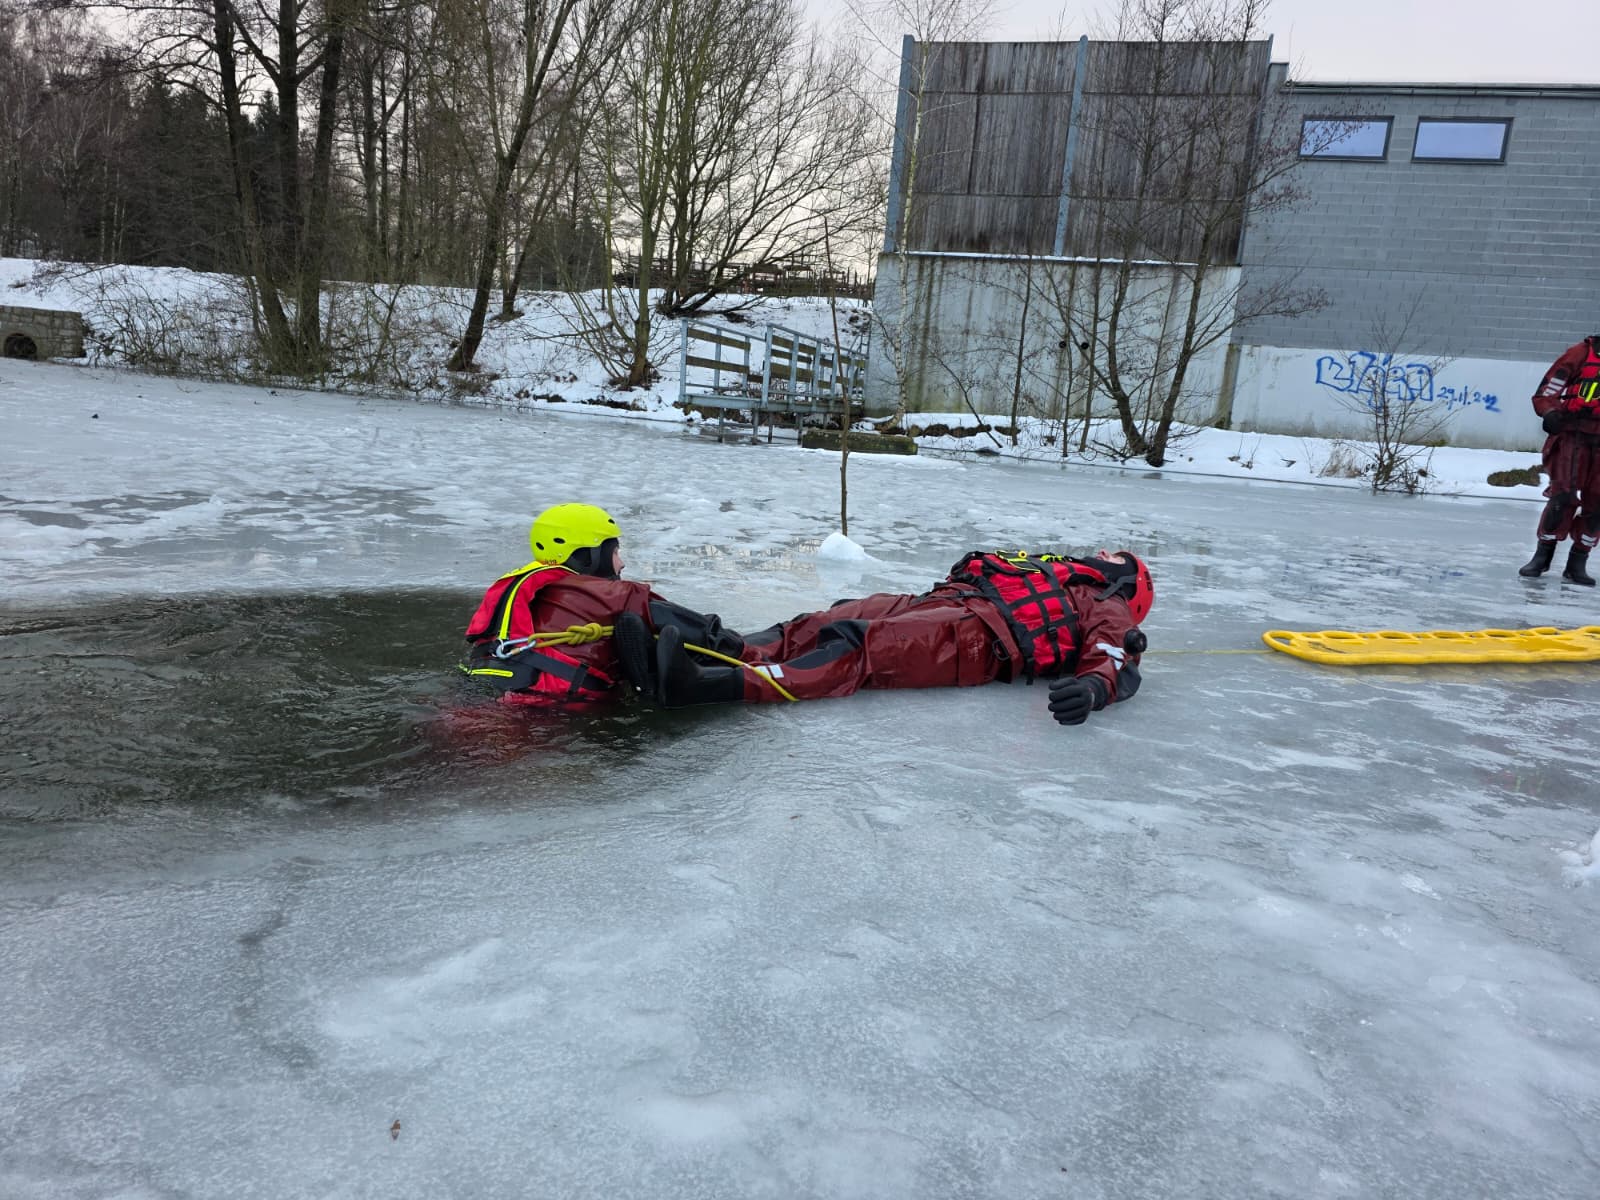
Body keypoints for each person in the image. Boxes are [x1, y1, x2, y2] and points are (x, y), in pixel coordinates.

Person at [464, 503, 1153, 727]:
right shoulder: (1041, 572)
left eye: (1115, 555)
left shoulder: (1103, 601)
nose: (1101, 551)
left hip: (977, 640)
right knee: (819, 620)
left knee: (856, 645)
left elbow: (1118, 655)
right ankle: (716, 648)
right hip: (944, 606)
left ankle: (712, 684)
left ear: (1126, 577)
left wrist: (1095, 685)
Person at [1519, 334, 1600, 586]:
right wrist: (1550, 412)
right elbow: (1546, 391)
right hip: (1573, 435)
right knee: (1562, 496)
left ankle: (1578, 562)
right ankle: (1542, 555)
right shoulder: (1580, 353)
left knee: (1597, 504)